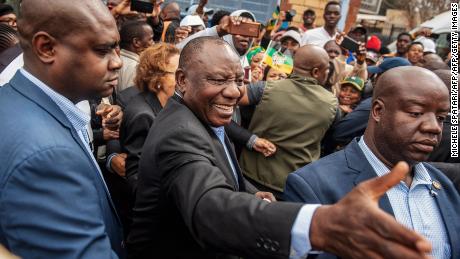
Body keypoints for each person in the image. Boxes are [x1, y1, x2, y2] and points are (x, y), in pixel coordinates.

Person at [127, 36, 432, 259]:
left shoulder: (201, 117)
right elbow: (209, 206)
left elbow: (219, 173)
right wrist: (318, 225)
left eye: (237, 79)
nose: (234, 92)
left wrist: (247, 191)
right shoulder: (179, 132)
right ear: (181, 80)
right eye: (219, 80)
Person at [285, 66, 459, 259]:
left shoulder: (445, 186)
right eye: (416, 112)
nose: (434, 127)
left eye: (441, 118)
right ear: (378, 111)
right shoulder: (313, 185)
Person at [0, 0, 124, 258]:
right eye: (102, 50)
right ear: (46, 48)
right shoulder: (48, 156)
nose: (117, 63)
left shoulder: (13, 99)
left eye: (117, 48)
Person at [239, 45, 338, 198]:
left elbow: (222, 103)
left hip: (251, 178)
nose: (328, 73)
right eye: (326, 69)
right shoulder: (332, 104)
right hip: (295, 185)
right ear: (316, 72)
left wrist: (249, 139)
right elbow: (332, 139)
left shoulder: (264, 89)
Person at [120, 43, 179, 194]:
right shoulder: (143, 116)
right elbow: (136, 177)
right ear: (157, 78)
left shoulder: (171, 103)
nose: (183, 78)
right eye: (176, 73)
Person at [117, 20, 153, 93]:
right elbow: (129, 100)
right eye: (150, 39)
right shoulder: (136, 68)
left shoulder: (117, 58)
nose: (153, 43)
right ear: (136, 42)